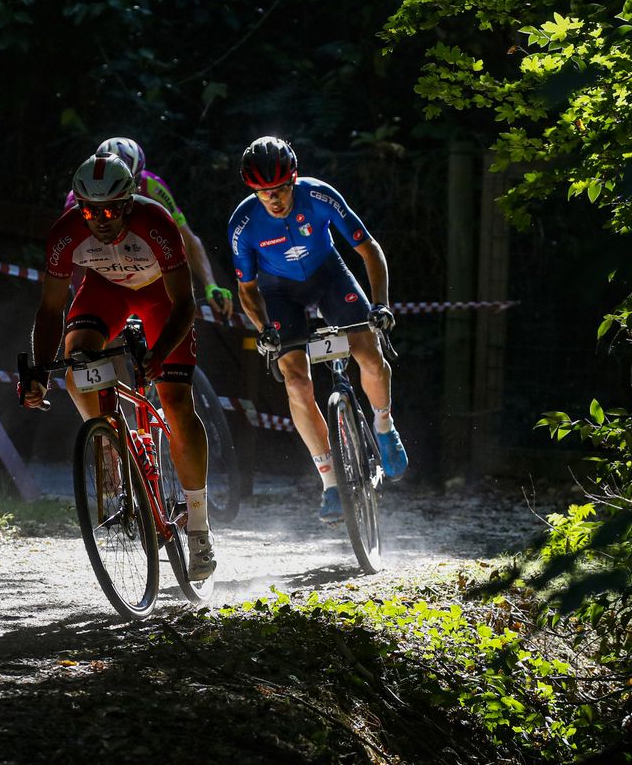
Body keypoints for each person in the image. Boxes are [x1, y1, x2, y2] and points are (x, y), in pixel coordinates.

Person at [24, 152, 216, 579]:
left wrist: (160, 352)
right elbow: (50, 308)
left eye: (111, 209)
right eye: (90, 211)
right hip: (105, 291)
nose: (100, 220)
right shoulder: (65, 232)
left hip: (160, 298)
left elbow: (185, 302)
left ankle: (199, 526)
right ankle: (108, 440)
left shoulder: (157, 223)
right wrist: (38, 372)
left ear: (130, 202)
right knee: (78, 362)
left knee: (177, 403)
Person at [227, 136, 408, 524]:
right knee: (296, 383)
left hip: (329, 276)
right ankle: (329, 483)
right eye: (263, 193)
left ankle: (384, 424)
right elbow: (246, 290)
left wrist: (380, 305)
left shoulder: (320, 196)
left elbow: (369, 249)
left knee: (369, 355)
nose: (273, 199)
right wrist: (264, 330)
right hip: (279, 293)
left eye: (279, 189)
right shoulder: (243, 225)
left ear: (294, 180)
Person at [63, 137, 234, 320]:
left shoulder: (152, 186)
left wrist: (210, 285)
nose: (132, 189)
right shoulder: (78, 199)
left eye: (135, 180)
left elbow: (189, 239)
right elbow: (71, 257)